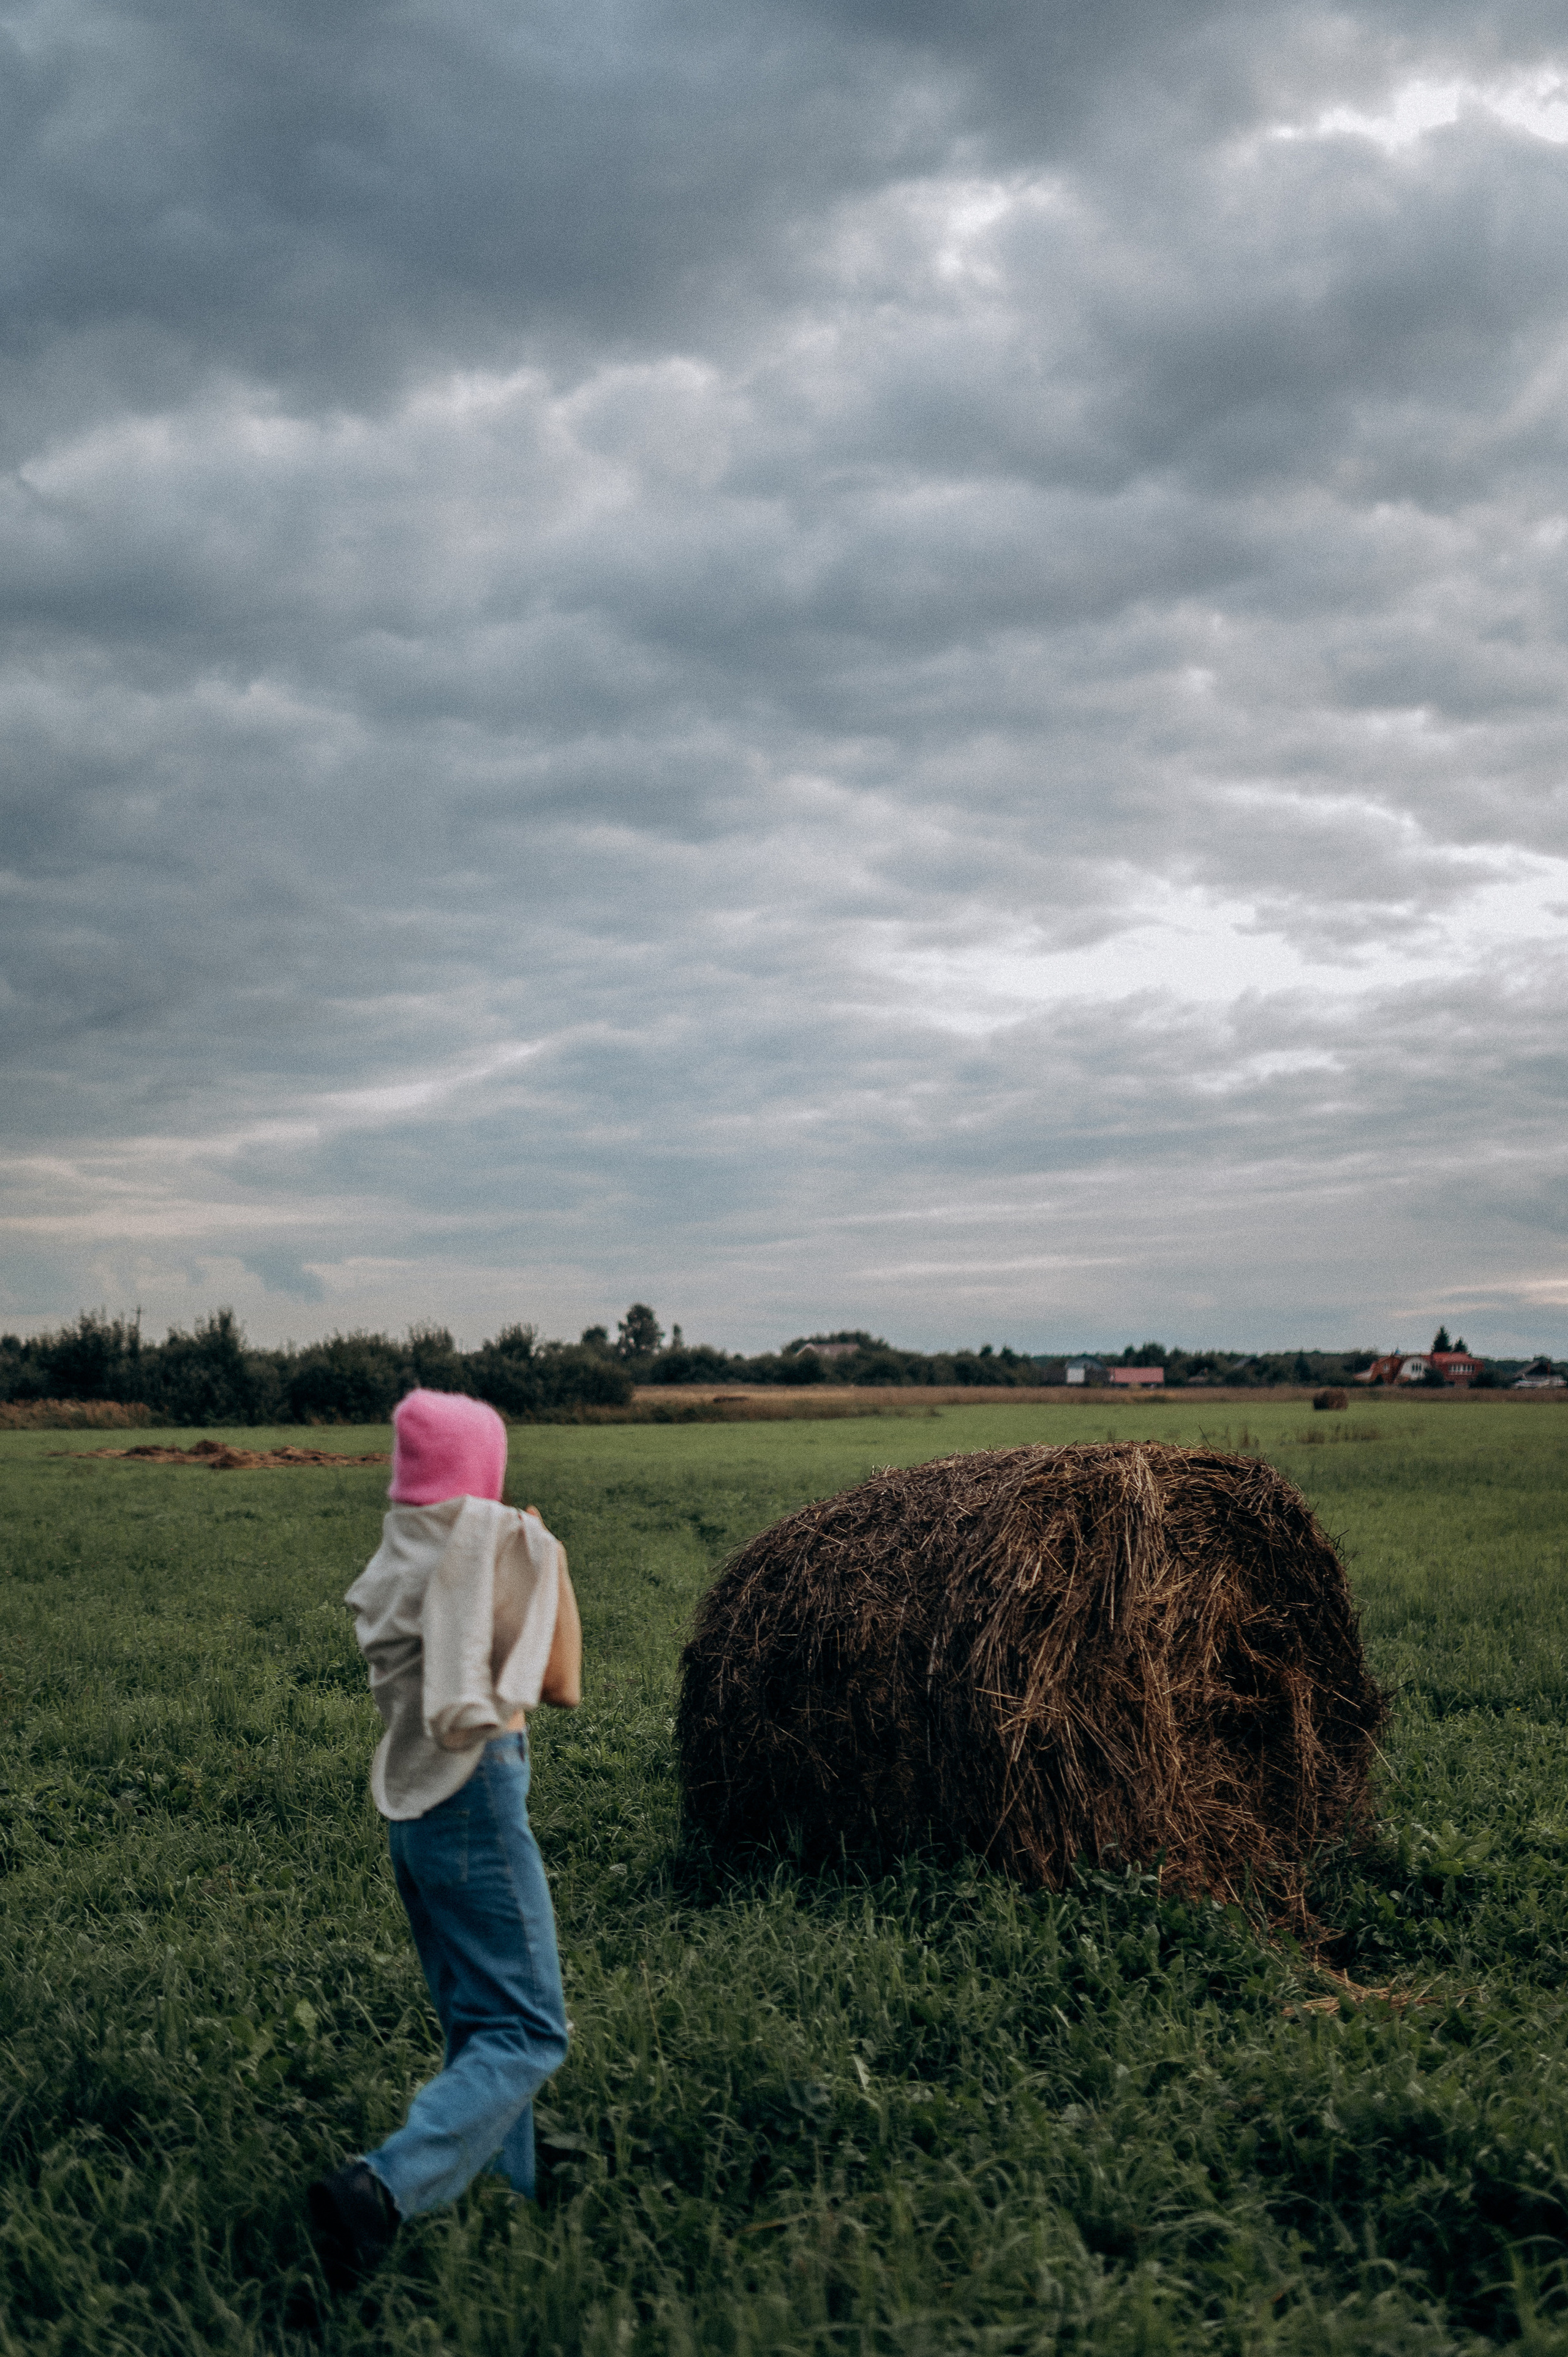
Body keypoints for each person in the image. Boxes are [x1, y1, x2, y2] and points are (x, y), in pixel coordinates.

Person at [307, 1388, 582, 2292]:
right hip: (479, 1797)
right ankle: (381, 2188)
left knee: (477, 2024)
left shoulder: (402, 1556)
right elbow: (561, 1681)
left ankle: (512, 2197)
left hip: (415, 1818)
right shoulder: (496, 1551)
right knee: (529, 2027)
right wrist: (553, 1561)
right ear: (486, 1477)